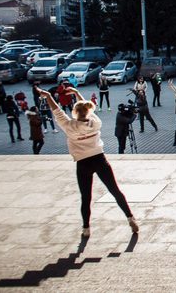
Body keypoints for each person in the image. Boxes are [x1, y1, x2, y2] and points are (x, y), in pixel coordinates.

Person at [35, 85, 138, 238]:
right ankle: (130, 218)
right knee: (115, 190)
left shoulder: (70, 126)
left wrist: (48, 96)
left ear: (75, 113)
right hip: (100, 159)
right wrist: (77, 93)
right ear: (88, 112)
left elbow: (57, 111)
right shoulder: (96, 122)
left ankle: (86, 228)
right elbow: (88, 110)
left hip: (83, 163)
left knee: (86, 197)